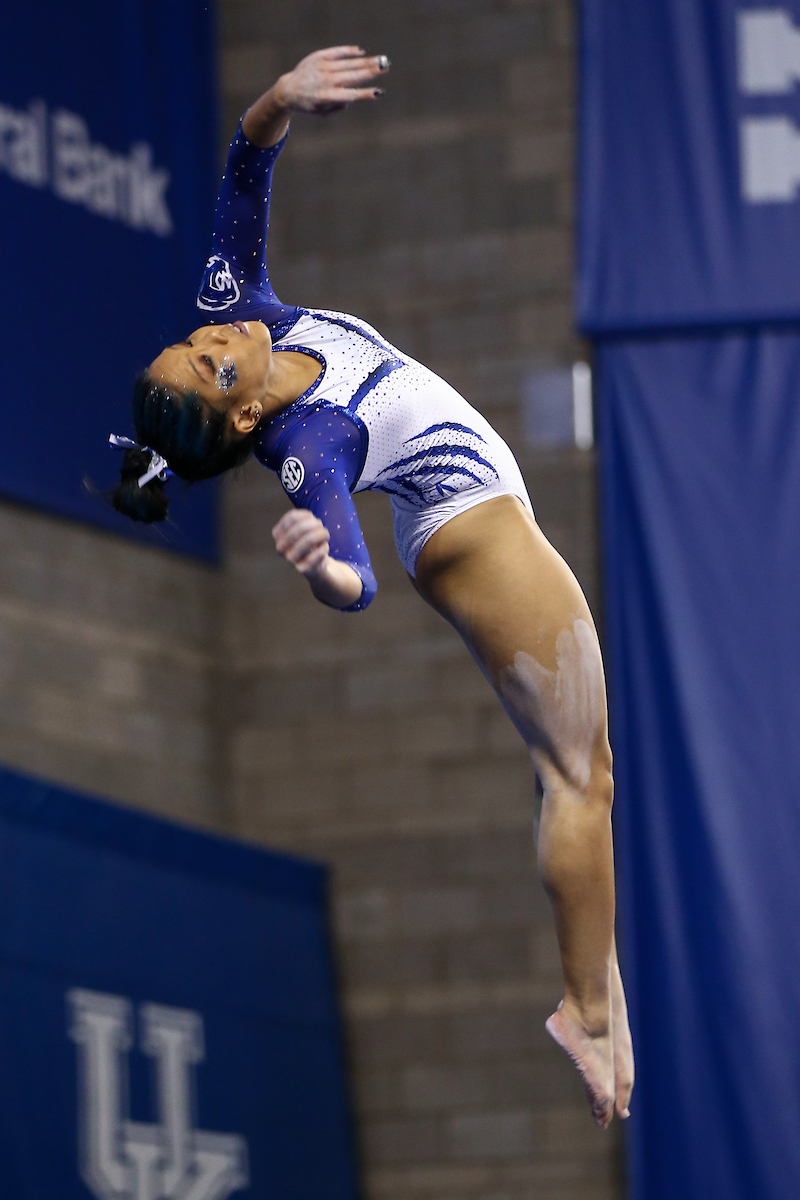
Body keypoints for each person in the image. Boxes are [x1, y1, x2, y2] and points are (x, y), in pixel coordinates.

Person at [110, 46, 634, 1126]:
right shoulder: (310, 443)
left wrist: (280, 99)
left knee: (582, 774)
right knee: (578, 777)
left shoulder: (243, 316)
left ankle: (597, 982)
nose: (214, 332)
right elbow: (354, 586)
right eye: (210, 359)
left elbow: (244, 171)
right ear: (243, 413)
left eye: (195, 339)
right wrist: (323, 567)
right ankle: (585, 1006)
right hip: (466, 530)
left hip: (476, 511)